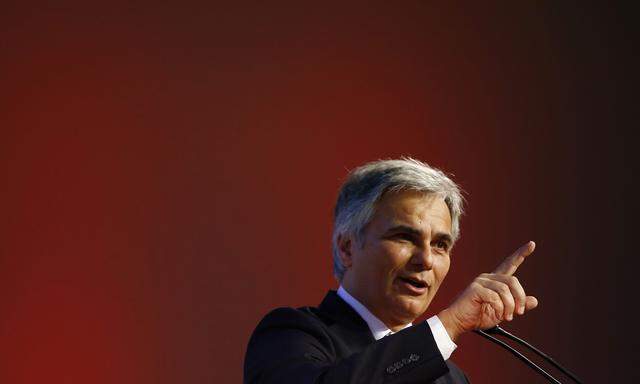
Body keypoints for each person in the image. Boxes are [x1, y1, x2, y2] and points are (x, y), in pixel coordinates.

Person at [244, 158, 538, 383]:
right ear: (348, 248)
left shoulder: (450, 377)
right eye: (404, 237)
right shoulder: (289, 335)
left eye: (440, 244)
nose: (425, 259)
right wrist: (449, 325)